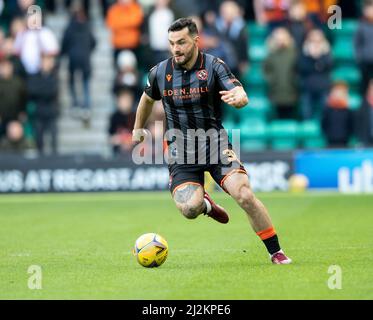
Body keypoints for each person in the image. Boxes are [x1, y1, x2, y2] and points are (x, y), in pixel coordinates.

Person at [132, 18, 292, 264]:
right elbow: (146, 99)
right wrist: (137, 129)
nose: (176, 48)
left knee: (245, 195)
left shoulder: (215, 66)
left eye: (182, 42)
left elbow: (238, 90)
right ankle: (205, 204)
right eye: (172, 43)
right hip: (181, 151)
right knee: (189, 209)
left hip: (215, 144)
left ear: (196, 41)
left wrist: (241, 97)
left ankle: (276, 252)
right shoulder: (159, 72)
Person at [61, 5, 96, 118]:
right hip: (84, 59)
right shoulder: (87, 27)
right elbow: (94, 42)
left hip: (73, 59)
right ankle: (86, 106)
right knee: (84, 83)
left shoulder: (69, 28)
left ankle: (76, 104)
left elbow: (64, 44)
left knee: (75, 82)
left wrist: (65, 53)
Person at [263, 27, 298, 119]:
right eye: (278, 39)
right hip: (275, 93)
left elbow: (297, 71)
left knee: (290, 120)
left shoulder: (294, 54)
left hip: (291, 92)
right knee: (277, 120)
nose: (281, 41)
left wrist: (294, 80)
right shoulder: (271, 55)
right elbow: (266, 70)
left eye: (283, 38)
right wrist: (272, 80)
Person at [298, 28, 333, 120]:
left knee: (325, 112)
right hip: (307, 86)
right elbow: (303, 67)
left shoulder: (327, 50)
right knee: (306, 112)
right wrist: (313, 59)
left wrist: (317, 58)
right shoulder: (304, 51)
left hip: (323, 86)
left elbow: (328, 65)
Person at [321, 81, 354, 148]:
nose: (338, 95)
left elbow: (351, 126)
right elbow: (323, 125)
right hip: (330, 141)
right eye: (336, 92)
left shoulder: (348, 111)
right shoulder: (327, 110)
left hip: (345, 141)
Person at [354, 0, 373, 96]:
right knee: (364, 88)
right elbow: (357, 44)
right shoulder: (361, 26)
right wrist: (360, 58)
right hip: (365, 63)